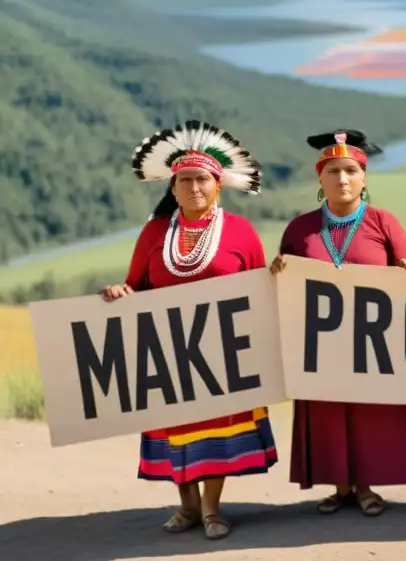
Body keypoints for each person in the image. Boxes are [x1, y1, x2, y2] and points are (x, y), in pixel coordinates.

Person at [99, 120, 277, 541]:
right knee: (177, 426)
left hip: (223, 351)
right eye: (185, 180)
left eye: (202, 179)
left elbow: (258, 289)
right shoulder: (155, 232)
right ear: (173, 188)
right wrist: (119, 291)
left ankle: (212, 509)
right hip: (168, 348)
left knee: (215, 429)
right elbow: (136, 284)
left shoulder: (240, 232)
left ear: (218, 185)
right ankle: (187, 506)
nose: (194, 187)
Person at [270, 129, 406, 517]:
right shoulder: (299, 229)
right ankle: (340, 487)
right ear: (320, 179)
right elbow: (285, 283)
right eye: (333, 171)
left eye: (350, 171)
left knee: (369, 412)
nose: (342, 179)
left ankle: (367, 487)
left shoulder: (384, 222)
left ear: (364, 177)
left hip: (374, 340)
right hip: (321, 342)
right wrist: (276, 272)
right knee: (327, 411)